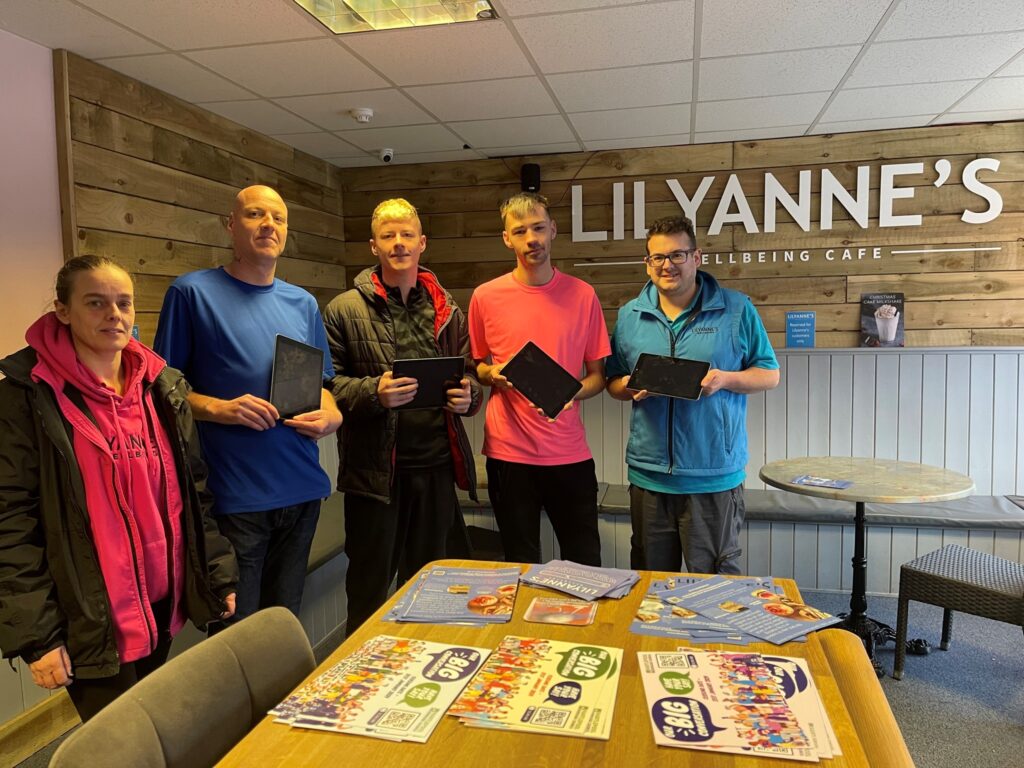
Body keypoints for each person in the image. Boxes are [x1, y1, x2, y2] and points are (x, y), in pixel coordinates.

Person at [0, 255, 238, 722]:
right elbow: (9, 521)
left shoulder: (162, 387)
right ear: (62, 310)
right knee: (122, 742)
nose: (114, 314)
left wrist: (216, 572)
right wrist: (37, 635)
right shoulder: (26, 396)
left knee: (153, 726)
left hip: (160, 604)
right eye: (95, 302)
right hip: (88, 618)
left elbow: (194, 493)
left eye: (123, 303)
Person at [153, 185, 342, 625]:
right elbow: (162, 391)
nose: (268, 225)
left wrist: (332, 413)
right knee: (237, 636)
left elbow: (322, 383)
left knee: (283, 628)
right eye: (255, 214)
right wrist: (221, 409)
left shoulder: (303, 303)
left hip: (302, 490)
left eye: (278, 218)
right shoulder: (191, 293)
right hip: (235, 499)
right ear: (231, 225)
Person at [323, 198, 481, 635]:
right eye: (388, 236)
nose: (398, 243)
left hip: (436, 468)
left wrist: (469, 397)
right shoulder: (343, 309)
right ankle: (359, 669)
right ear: (373, 245)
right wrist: (374, 393)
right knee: (369, 591)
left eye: (406, 235)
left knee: (433, 589)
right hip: (375, 479)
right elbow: (328, 386)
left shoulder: (448, 308)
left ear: (421, 242)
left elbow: (469, 375)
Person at [606, 215, 779, 574]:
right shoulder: (629, 316)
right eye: (658, 257)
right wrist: (629, 387)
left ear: (696, 257)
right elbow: (613, 382)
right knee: (650, 584)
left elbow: (769, 374)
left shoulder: (736, 309)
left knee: (714, 586)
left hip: (712, 476)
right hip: (649, 476)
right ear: (647, 263)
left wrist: (725, 379)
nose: (667, 265)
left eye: (677, 255)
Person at [469, 192, 610, 566]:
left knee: (585, 563)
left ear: (553, 230)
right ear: (507, 239)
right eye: (520, 231)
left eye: (538, 228)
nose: (531, 238)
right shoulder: (485, 297)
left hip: (570, 453)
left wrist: (571, 394)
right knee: (520, 562)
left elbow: (597, 377)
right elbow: (478, 366)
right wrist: (491, 374)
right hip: (508, 455)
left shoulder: (583, 295)